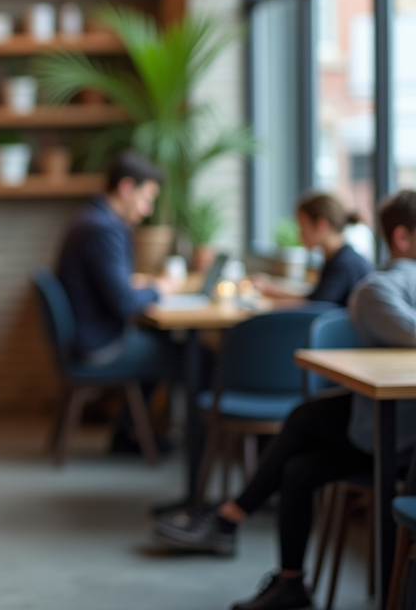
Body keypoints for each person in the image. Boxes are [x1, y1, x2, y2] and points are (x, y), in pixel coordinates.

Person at [153, 190, 416, 610]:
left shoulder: (377, 287)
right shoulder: (372, 279)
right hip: (391, 425)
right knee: (298, 468)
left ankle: (229, 518)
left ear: (399, 237)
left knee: (305, 419)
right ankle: (287, 580)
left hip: (397, 435)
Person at [55, 151, 178, 450]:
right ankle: (143, 439)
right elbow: (123, 303)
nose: (148, 209)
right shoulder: (104, 229)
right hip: (98, 344)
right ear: (126, 188)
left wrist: (139, 284)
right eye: (146, 198)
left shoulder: (91, 218)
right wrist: (160, 289)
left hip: (86, 334)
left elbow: (111, 284)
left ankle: (129, 432)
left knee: (160, 340)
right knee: (187, 356)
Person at [253, 192, 371, 307]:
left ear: (321, 225)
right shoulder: (338, 257)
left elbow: (312, 306)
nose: (299, 235)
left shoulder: (343, 264)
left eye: (302, 227)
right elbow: (314, 298)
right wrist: (271, 290)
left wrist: (266, 303)